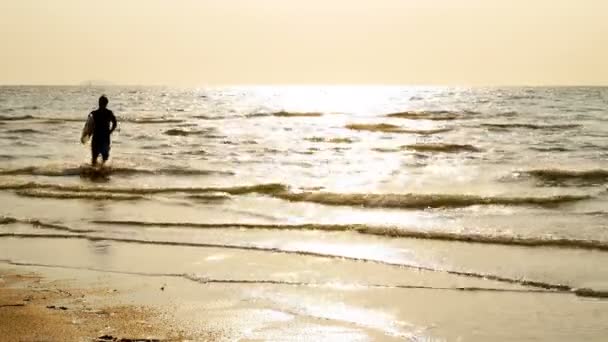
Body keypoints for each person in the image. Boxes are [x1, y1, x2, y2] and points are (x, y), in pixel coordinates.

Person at [87, 95, 117, 167]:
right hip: (100, 138)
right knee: (96, 158)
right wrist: (110, 131)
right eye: (101, 103)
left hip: (102, 138)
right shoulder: (94, 114)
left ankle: (97, 172)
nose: (102, 104)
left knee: (103, 158)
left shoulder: (95, 113)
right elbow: (88, 126)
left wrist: (110, 131)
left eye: (102, 103)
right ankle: (97, 172)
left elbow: (115, 123)